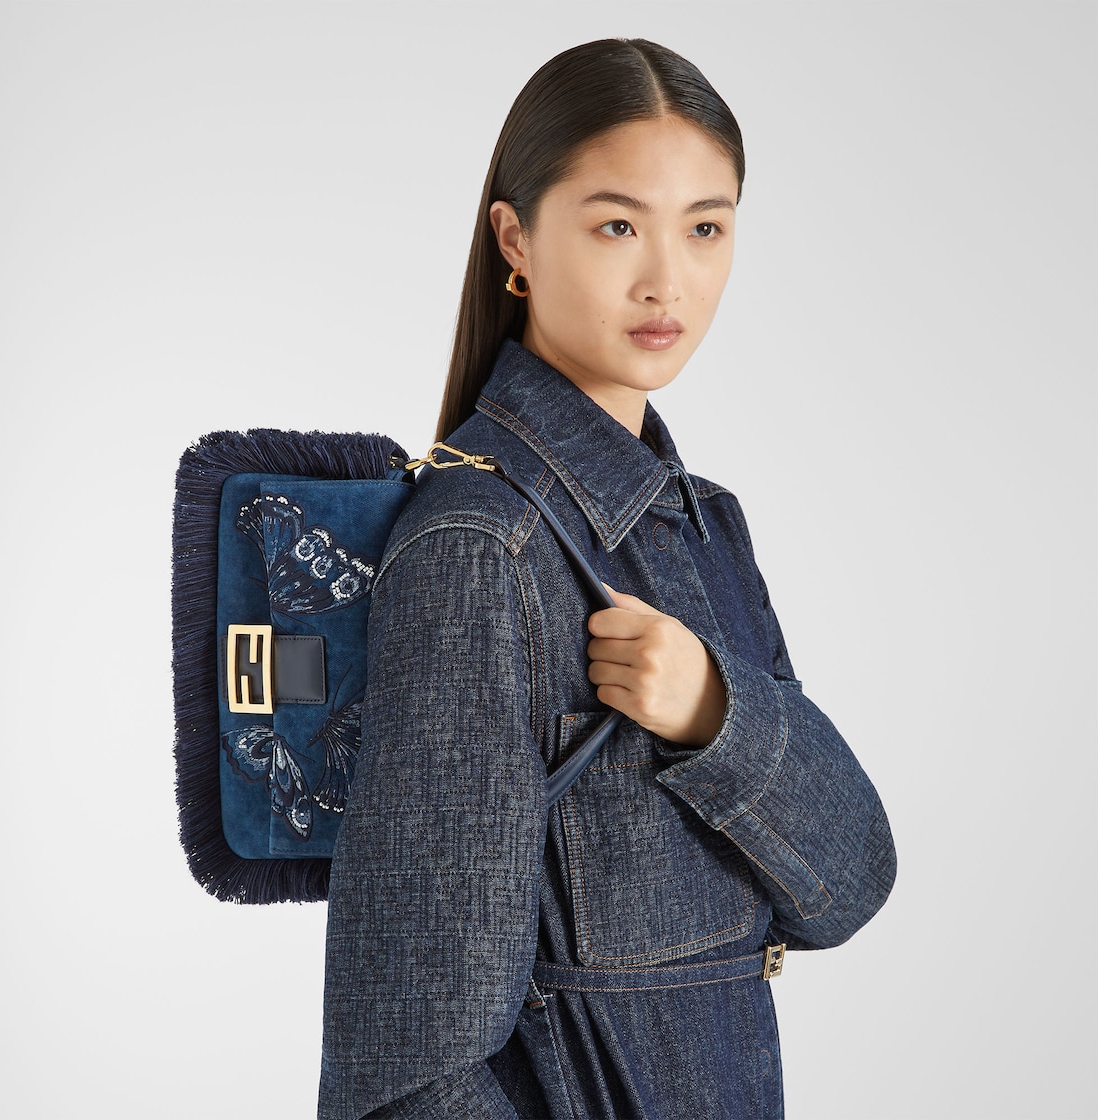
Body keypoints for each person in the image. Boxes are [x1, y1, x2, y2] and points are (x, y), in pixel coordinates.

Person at [319, 37, 896, 1120]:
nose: (666, 279)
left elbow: (849, 883)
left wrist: (716, 714)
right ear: (516, 238)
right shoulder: (478, 550)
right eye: (618, 225)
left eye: (705, 228)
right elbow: (408, 1071)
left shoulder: (707, 528)